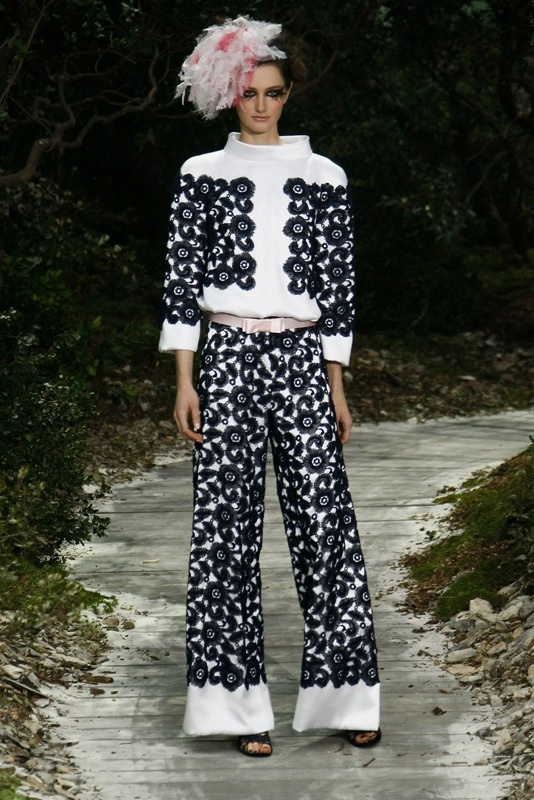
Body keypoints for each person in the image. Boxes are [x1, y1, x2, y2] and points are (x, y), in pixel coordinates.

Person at [159, 15, 380, 758]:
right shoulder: (200, 174)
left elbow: (338, 291)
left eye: (274, 93)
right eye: (249, 93)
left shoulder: (325, 177)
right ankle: (235, 711)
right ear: (231, 95)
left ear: (289, 95)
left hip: (302, 357)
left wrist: (336, 387)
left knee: (326, 524)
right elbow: (181, 283)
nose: (261, 105)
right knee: (224, 532)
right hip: (224, 357)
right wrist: (185, 380)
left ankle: (349, 697)